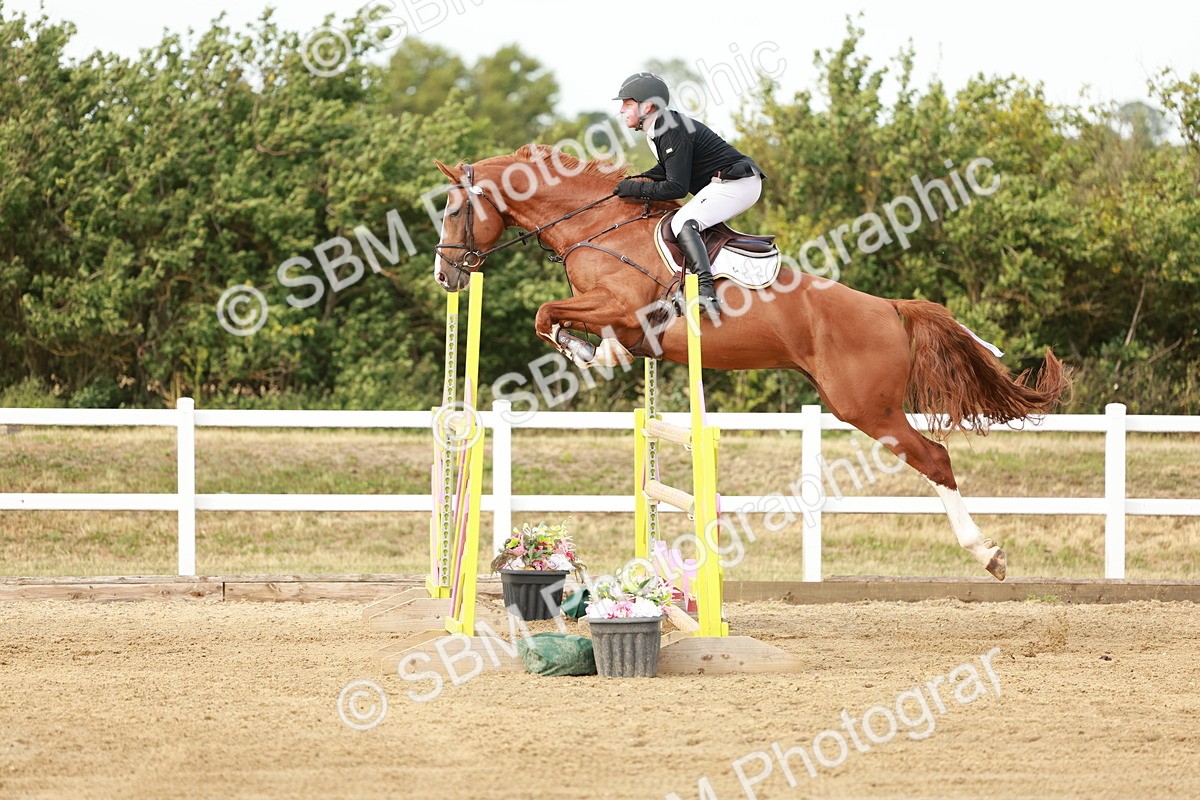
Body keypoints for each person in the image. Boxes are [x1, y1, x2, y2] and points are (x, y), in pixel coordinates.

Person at [612, 72, 766, 317]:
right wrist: (633, 181)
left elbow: (677, 188)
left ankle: (706, 292)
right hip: (727, 183)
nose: (621, 110)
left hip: (738, 183)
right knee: (682, 221)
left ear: (647, 107)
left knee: (683, 222)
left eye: (627, 104)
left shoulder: (671, 130)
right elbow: (665, 169)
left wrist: (636, 189)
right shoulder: (659, 128)